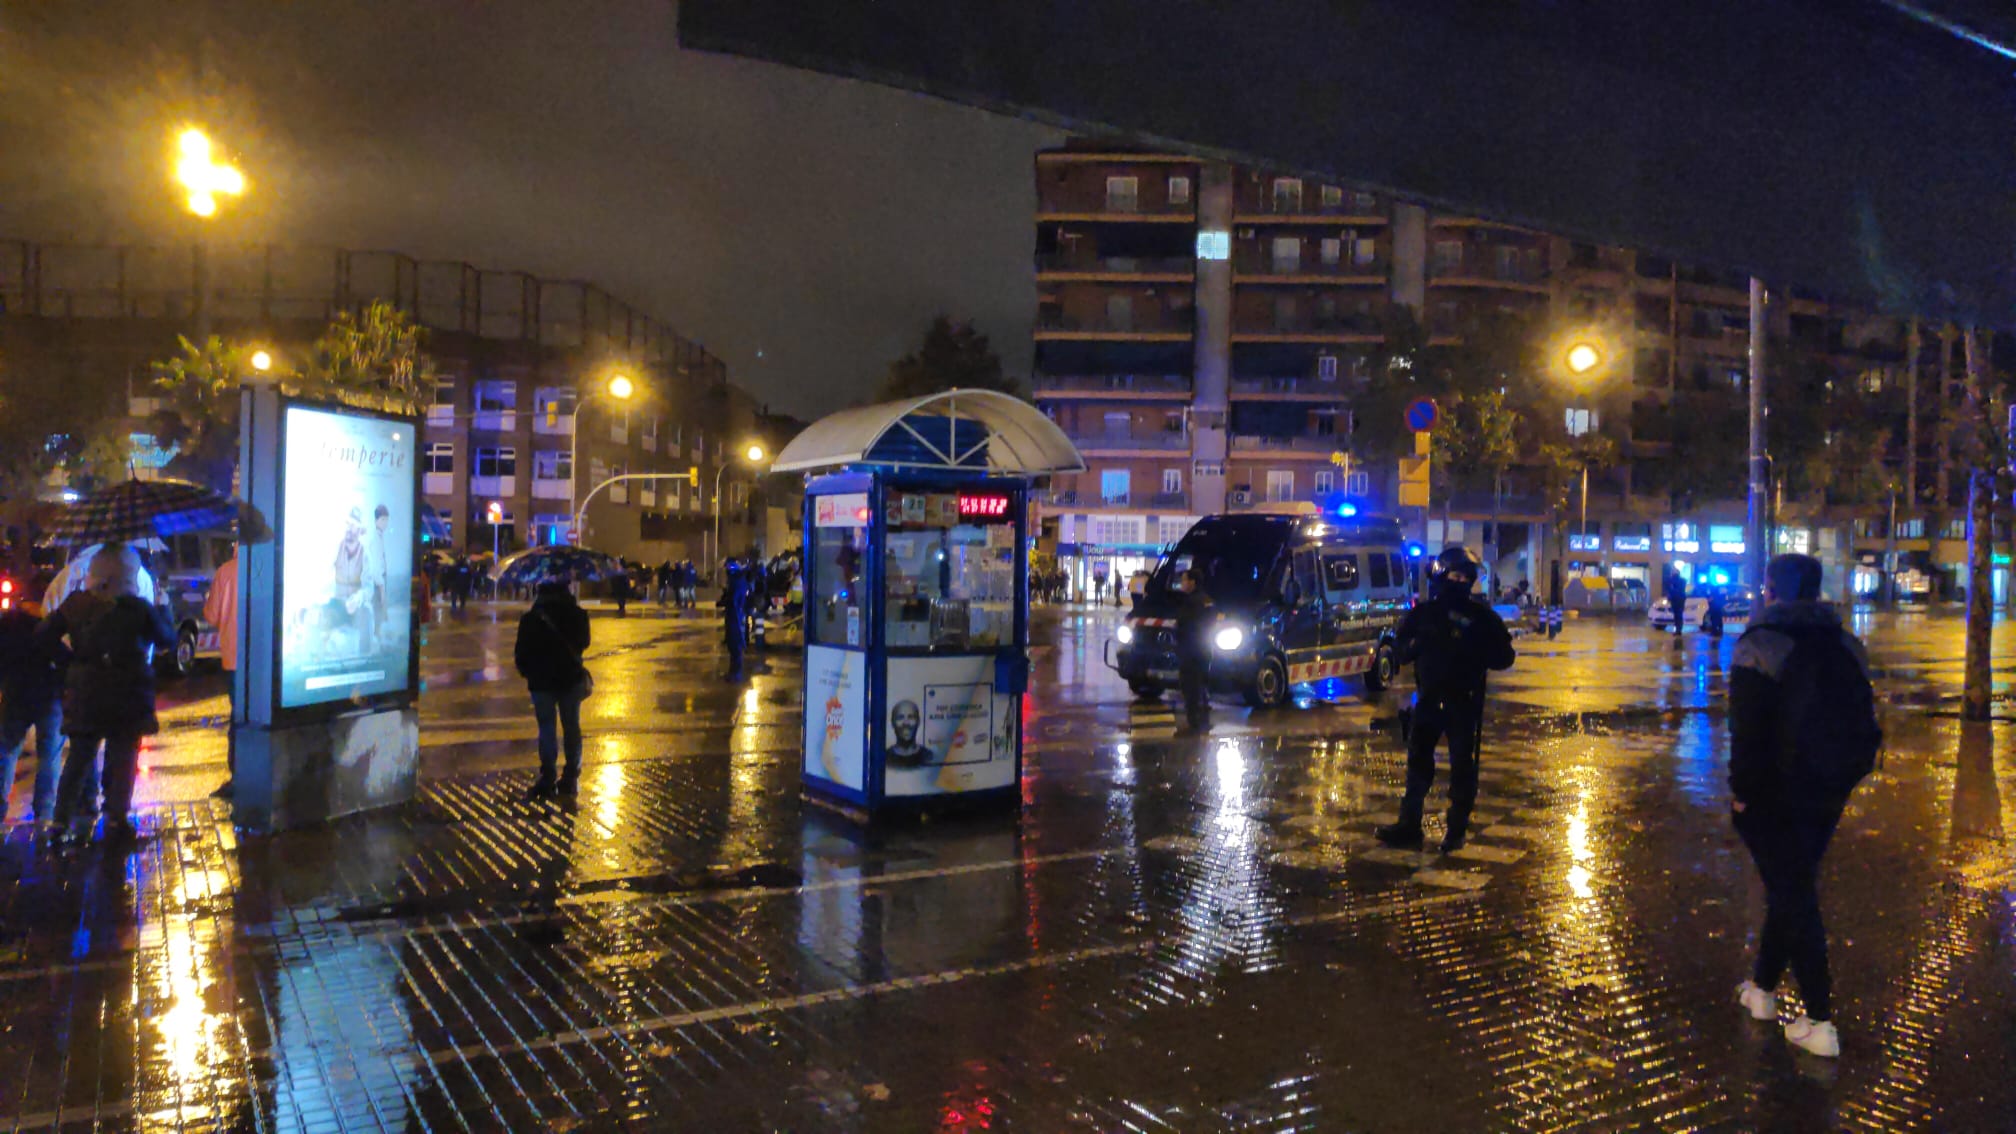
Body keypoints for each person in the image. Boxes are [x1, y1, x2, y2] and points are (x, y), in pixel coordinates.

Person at [1729, 553, 1878, 1059]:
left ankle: (1820, 1020)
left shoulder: (1761, 643)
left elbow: (1746, 732)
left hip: (1775, 792)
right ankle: (1763, 991)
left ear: (1770, 589)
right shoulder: (1846, 642)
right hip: (1831, 786)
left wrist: (1742, 793)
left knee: (1794, 895)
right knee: (1789, 883)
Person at [1376, 547, 1516, 853]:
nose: (1461, 581)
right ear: (1442, 575)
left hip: (1464, 704)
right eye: (1455, 575)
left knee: (1462, 769)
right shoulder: (1424, 614)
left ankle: (1456, 831)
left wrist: (1478, 649)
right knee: (1418, 765)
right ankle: (1409, 825)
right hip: (1428, 700)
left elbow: (1505, 656)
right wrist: (1420, 642)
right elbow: (1399, 650)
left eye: (1466, 577)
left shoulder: (1482, 618)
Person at [40, 544, 174, 846]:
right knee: (123, 757)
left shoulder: (77, 604)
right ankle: (116, 819)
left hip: (86, 694)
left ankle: (60, 823)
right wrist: (164, 604)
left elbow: (44, 636)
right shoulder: (139, 608)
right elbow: (167, 639)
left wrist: (70, 663)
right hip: (128, 694)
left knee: (79, 758)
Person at [514, 580, 591, 800]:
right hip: (570, 678)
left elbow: (521, 652)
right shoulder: (577, 614)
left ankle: (548, 777)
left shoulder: (531, 618)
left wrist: (528, 672)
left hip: (541, 682)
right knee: (571, 726)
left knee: (547, 728)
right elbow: (584, 642)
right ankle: (570, 777)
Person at [0, 592, 66, 824]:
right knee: (49, 753)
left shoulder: (6, 625)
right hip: (48, 696)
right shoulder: (46, 627)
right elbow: (64, 658)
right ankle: (44, 813)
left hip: (15, 693)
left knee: (7, 750)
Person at [205, 546, 241, 801]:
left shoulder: (225, 572)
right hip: (263, 659)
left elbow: (212, 615)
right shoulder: (266, 569)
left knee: (237, 718)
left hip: (233, 658)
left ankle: (237, 775)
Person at [1172, 568, 1215, 733]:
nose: (1182, 584)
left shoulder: (1191, 602)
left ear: (1192, 582)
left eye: (1184, 580)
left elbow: (1183, 626)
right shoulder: (1208, 600)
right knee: (1202, 683)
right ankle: (1203, 719)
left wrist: (1178, 642)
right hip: (1205, 649)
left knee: (1189, 686)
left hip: (1190, 650)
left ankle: (1193, 722)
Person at [720, 558, 751, 680]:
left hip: (736, 616)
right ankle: (733, 672)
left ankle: (736, 673)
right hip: (734, 616)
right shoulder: (737, 580)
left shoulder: (737, 581)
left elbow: (735, 600)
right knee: (733, 645)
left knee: (736, 644)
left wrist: (728, 602)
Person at [886, 699, 935, 766]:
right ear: (892, 722)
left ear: (918, 722)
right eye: (900, 717)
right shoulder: (885, 758)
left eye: (911, 717)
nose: (906, 723)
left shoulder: (929, 757)